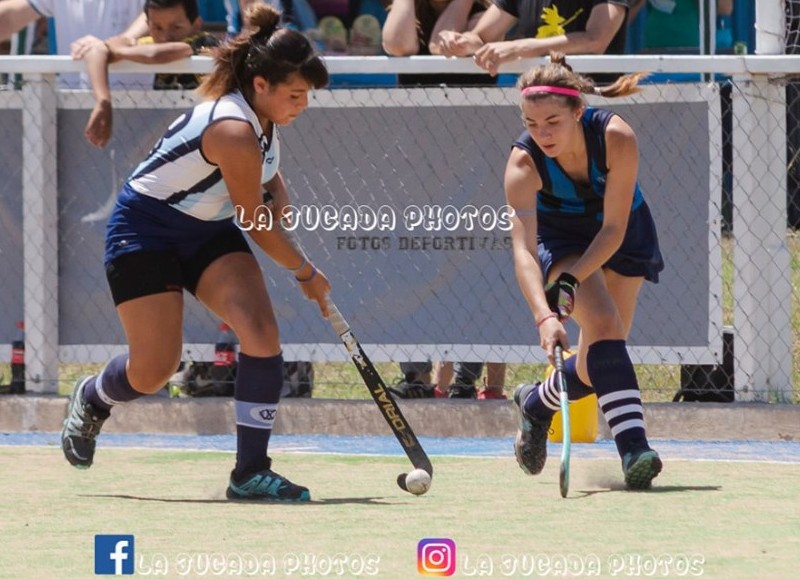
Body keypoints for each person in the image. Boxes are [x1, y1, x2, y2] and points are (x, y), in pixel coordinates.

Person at [60, 4, 331, 502]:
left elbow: (264, 172)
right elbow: (252, 219)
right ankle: (93, 396)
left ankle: (249, 472)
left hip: (206, 231)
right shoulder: (232, 127)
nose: (303, 105)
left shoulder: (263, 117)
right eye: (295, 95)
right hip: (145, 231)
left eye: (307, 95)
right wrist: (304, 270)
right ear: (261, 86)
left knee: (261, 331)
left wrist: (281, 192)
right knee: (154, 369)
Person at [505, 52, 664, 490]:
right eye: (533, 124)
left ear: (579, 111)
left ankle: (536, 403)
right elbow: (522, 250)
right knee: (606, 326)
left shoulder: (616, 136)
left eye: (553, 122)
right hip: (564, 240)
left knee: (598, 360)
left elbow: (613, 228)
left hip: (622, 234)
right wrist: (544, 315)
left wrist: (573, 283)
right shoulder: (522, 164)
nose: (542, 134)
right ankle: (635, 450)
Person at [77, 0, 220, 148]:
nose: (165, 36)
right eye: (157, 28)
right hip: (171, 131)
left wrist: (120, 51)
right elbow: (96, 52)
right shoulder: (148, 43)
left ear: (196, 25)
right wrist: (103, 100)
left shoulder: (204, 42)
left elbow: (155, 54)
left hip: (209, 130)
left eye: (176, 27)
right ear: (148, 25)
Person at [436, 0, 629, 83]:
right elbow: (481, 37)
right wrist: (460, 42)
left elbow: (596, 40)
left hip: (594, 105)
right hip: (538, 109)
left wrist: (521, 47)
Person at [0, 0, 148, 87]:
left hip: (138, 102)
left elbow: (156, 14)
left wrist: (119, 42)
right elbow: (9, 18)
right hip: (72, 103)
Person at [381, 0, 494, 85]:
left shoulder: (485, 14)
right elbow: (398, 45)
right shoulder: (410, 11)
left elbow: (438, 46)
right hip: (414, 111)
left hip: (472, 110)